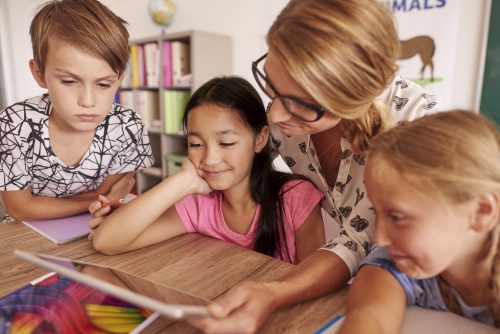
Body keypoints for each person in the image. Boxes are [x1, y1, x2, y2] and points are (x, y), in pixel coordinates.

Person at [190, 0, 442, 332]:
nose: (276, 116)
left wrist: (273, 292)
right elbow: (226, 168)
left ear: (351, 95)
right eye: (272, 87)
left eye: (300, 104)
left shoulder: (417, 124)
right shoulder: (286, 124)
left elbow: (362, 240)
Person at [88, 76, 325, 264]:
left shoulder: (295, 196)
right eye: (196, 144)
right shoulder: (200, 203)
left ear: (260, 139)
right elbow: (105, 241)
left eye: (226, 143)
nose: (210, 159)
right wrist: (181, 181)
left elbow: (315, 283)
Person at [337, 110, 500, 332]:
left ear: (481, 212)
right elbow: (370, 317)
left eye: (396, 217)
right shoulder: (399, 262)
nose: (380, 238)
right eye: (377, 212)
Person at [0, 0, 153, 222]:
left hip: (100, 225)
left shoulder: (127, 125)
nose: (88, 101)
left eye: (103, 84)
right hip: (27, 235)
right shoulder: (13, 124)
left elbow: (123, 186)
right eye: (70, 81)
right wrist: (97, 197)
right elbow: (21, 209)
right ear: (39, 73)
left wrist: (98, 198)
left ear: (119, 79)